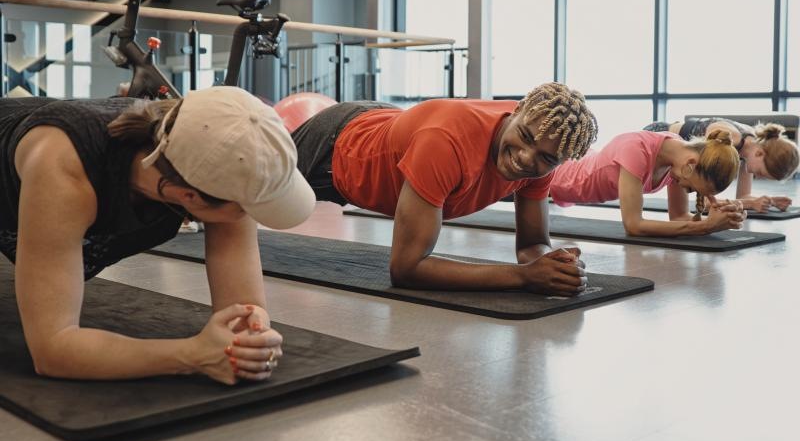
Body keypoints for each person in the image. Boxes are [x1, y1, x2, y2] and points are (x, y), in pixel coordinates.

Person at [0, 86, 316, 384]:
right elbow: (53, 349)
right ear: (190, 197)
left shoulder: (213, 159)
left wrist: (251, 334)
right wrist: (193, 355)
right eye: (247, 210)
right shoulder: (64, 171)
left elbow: (243, 306)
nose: (250, 217)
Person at [292, 82, 598, 296]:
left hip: (388, 122)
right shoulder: (446, 144)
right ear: (517, 112)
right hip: (336, 144)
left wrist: (553, 265)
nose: (525, 158)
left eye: (546, 158)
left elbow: (532, 246)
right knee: (247, 192)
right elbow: (406, 269)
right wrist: (524, 277)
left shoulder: (545, 143)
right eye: (525, 138)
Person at [550, 129, 747, 237]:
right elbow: (634, 226)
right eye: (691, 188)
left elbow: (678, 217)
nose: (686, 191)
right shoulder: (636, 149)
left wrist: (721, 218)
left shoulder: (678, 158)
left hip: (582, 164)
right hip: (560, 176)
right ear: (690, 165)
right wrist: (705, 227)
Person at [644, 118, 799, 212]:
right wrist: (750, 204)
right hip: (657, 137)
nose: (757, 176)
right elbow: (705, 201)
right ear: (760, 154)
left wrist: (769, 201)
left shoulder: (749, 150)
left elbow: (743, 197)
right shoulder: (730, 137)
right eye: (761, 172)